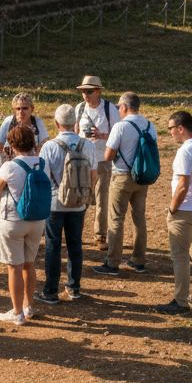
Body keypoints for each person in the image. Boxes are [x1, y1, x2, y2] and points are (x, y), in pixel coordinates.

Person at [37, 104, 98, 304]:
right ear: (75, 124)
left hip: (55, 202)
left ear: (56, 123)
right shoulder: (87, 145)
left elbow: (43, 178)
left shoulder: (49, 146)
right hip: (78, 203)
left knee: (53, 246)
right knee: (75, 245)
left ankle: (51, 291)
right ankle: (74, 287)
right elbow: (93, 175)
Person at [157, 110, 192, 314]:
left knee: (180, 256)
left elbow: (183, 185)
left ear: (180, 128)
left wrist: (173, 208)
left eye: (171, 128)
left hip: (186, 209)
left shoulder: (185, 151)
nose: (170, 133)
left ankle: (180, 301)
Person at [94, 92, 156, 276]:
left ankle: (112, 262)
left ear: (123, 107)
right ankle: (138, 259)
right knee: (139, 219)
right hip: (142, 177)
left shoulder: (121, 126)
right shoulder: (150, 125)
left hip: (122, 176)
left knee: (116, 219)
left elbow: (108, 156)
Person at [0, 125, 46, 325]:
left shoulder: (10, 166)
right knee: (29, 265)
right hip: (37, 220)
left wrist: (7, 161)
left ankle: (16, 312)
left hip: (13, 220)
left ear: (12, 145)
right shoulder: (41, 163)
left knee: (14, 267)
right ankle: (28, 306)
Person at [0, 93, 47, 244]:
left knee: (32, 192)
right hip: (9, 164)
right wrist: (7, 149)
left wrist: (34, 152)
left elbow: (45, 141)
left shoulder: (37, 123)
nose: (21, 112)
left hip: (30, 165)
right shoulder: (9, 122)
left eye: (25, 108)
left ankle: (37, 222)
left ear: (32, 109)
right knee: (0, 196)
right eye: (18, 108)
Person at [75, 75, 118, 248]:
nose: (85, 94)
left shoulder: (110, 109)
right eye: (83, 91)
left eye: (89, 91)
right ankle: (76, 232)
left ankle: (100, 235)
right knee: (80, 196)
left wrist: (102, 135)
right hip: (83, 159)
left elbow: (118, 134)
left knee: (102, 198)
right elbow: (75, 131)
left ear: (98, 91)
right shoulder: (79, 108)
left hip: (103, 159)